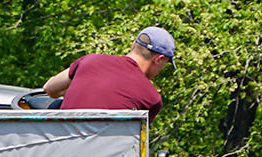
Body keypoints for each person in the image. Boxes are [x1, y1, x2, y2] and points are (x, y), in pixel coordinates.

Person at [37, 25, 175, 119]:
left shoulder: (90, 60)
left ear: (133, 45)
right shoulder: (152, 98)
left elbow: (49, 88)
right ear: (159, 59)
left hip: (61, 154)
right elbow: (137, 145)